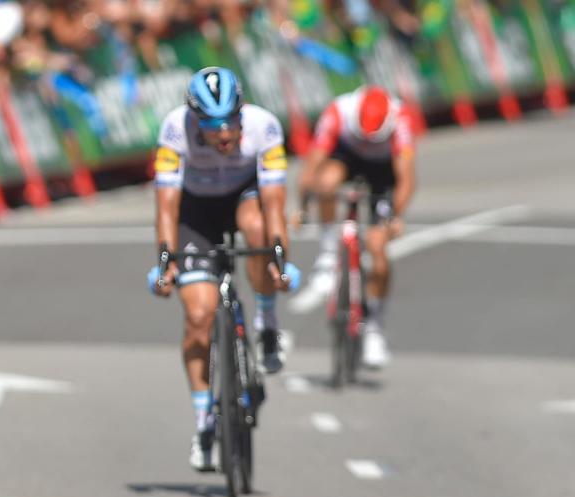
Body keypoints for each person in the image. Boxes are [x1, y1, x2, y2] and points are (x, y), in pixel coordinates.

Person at [150, 67, 296, 472]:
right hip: (196, 212)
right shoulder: (174, 130)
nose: (225, 134)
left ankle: (267, 323)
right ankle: (203, 422)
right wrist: (165, 261)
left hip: (244, 199)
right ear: (195, 120)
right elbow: (167, 206)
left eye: (231, 120)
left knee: (256, 229)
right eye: (213, 126)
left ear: (242, 111)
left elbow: (275, 204)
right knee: (199, 314)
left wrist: (280, 256)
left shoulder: (265, 127)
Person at [294, 85, 416, 368]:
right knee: (325, 183)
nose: (369, 141)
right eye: (365, 136)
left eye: (375, 137)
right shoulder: (338, 112)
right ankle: (327, 256)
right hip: (346, 159)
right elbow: (311, 167)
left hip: (383, 172)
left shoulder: (402, 119)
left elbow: (407, 180)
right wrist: (302, 208)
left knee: (377, 249)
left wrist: (393, 217)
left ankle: (374, 327)